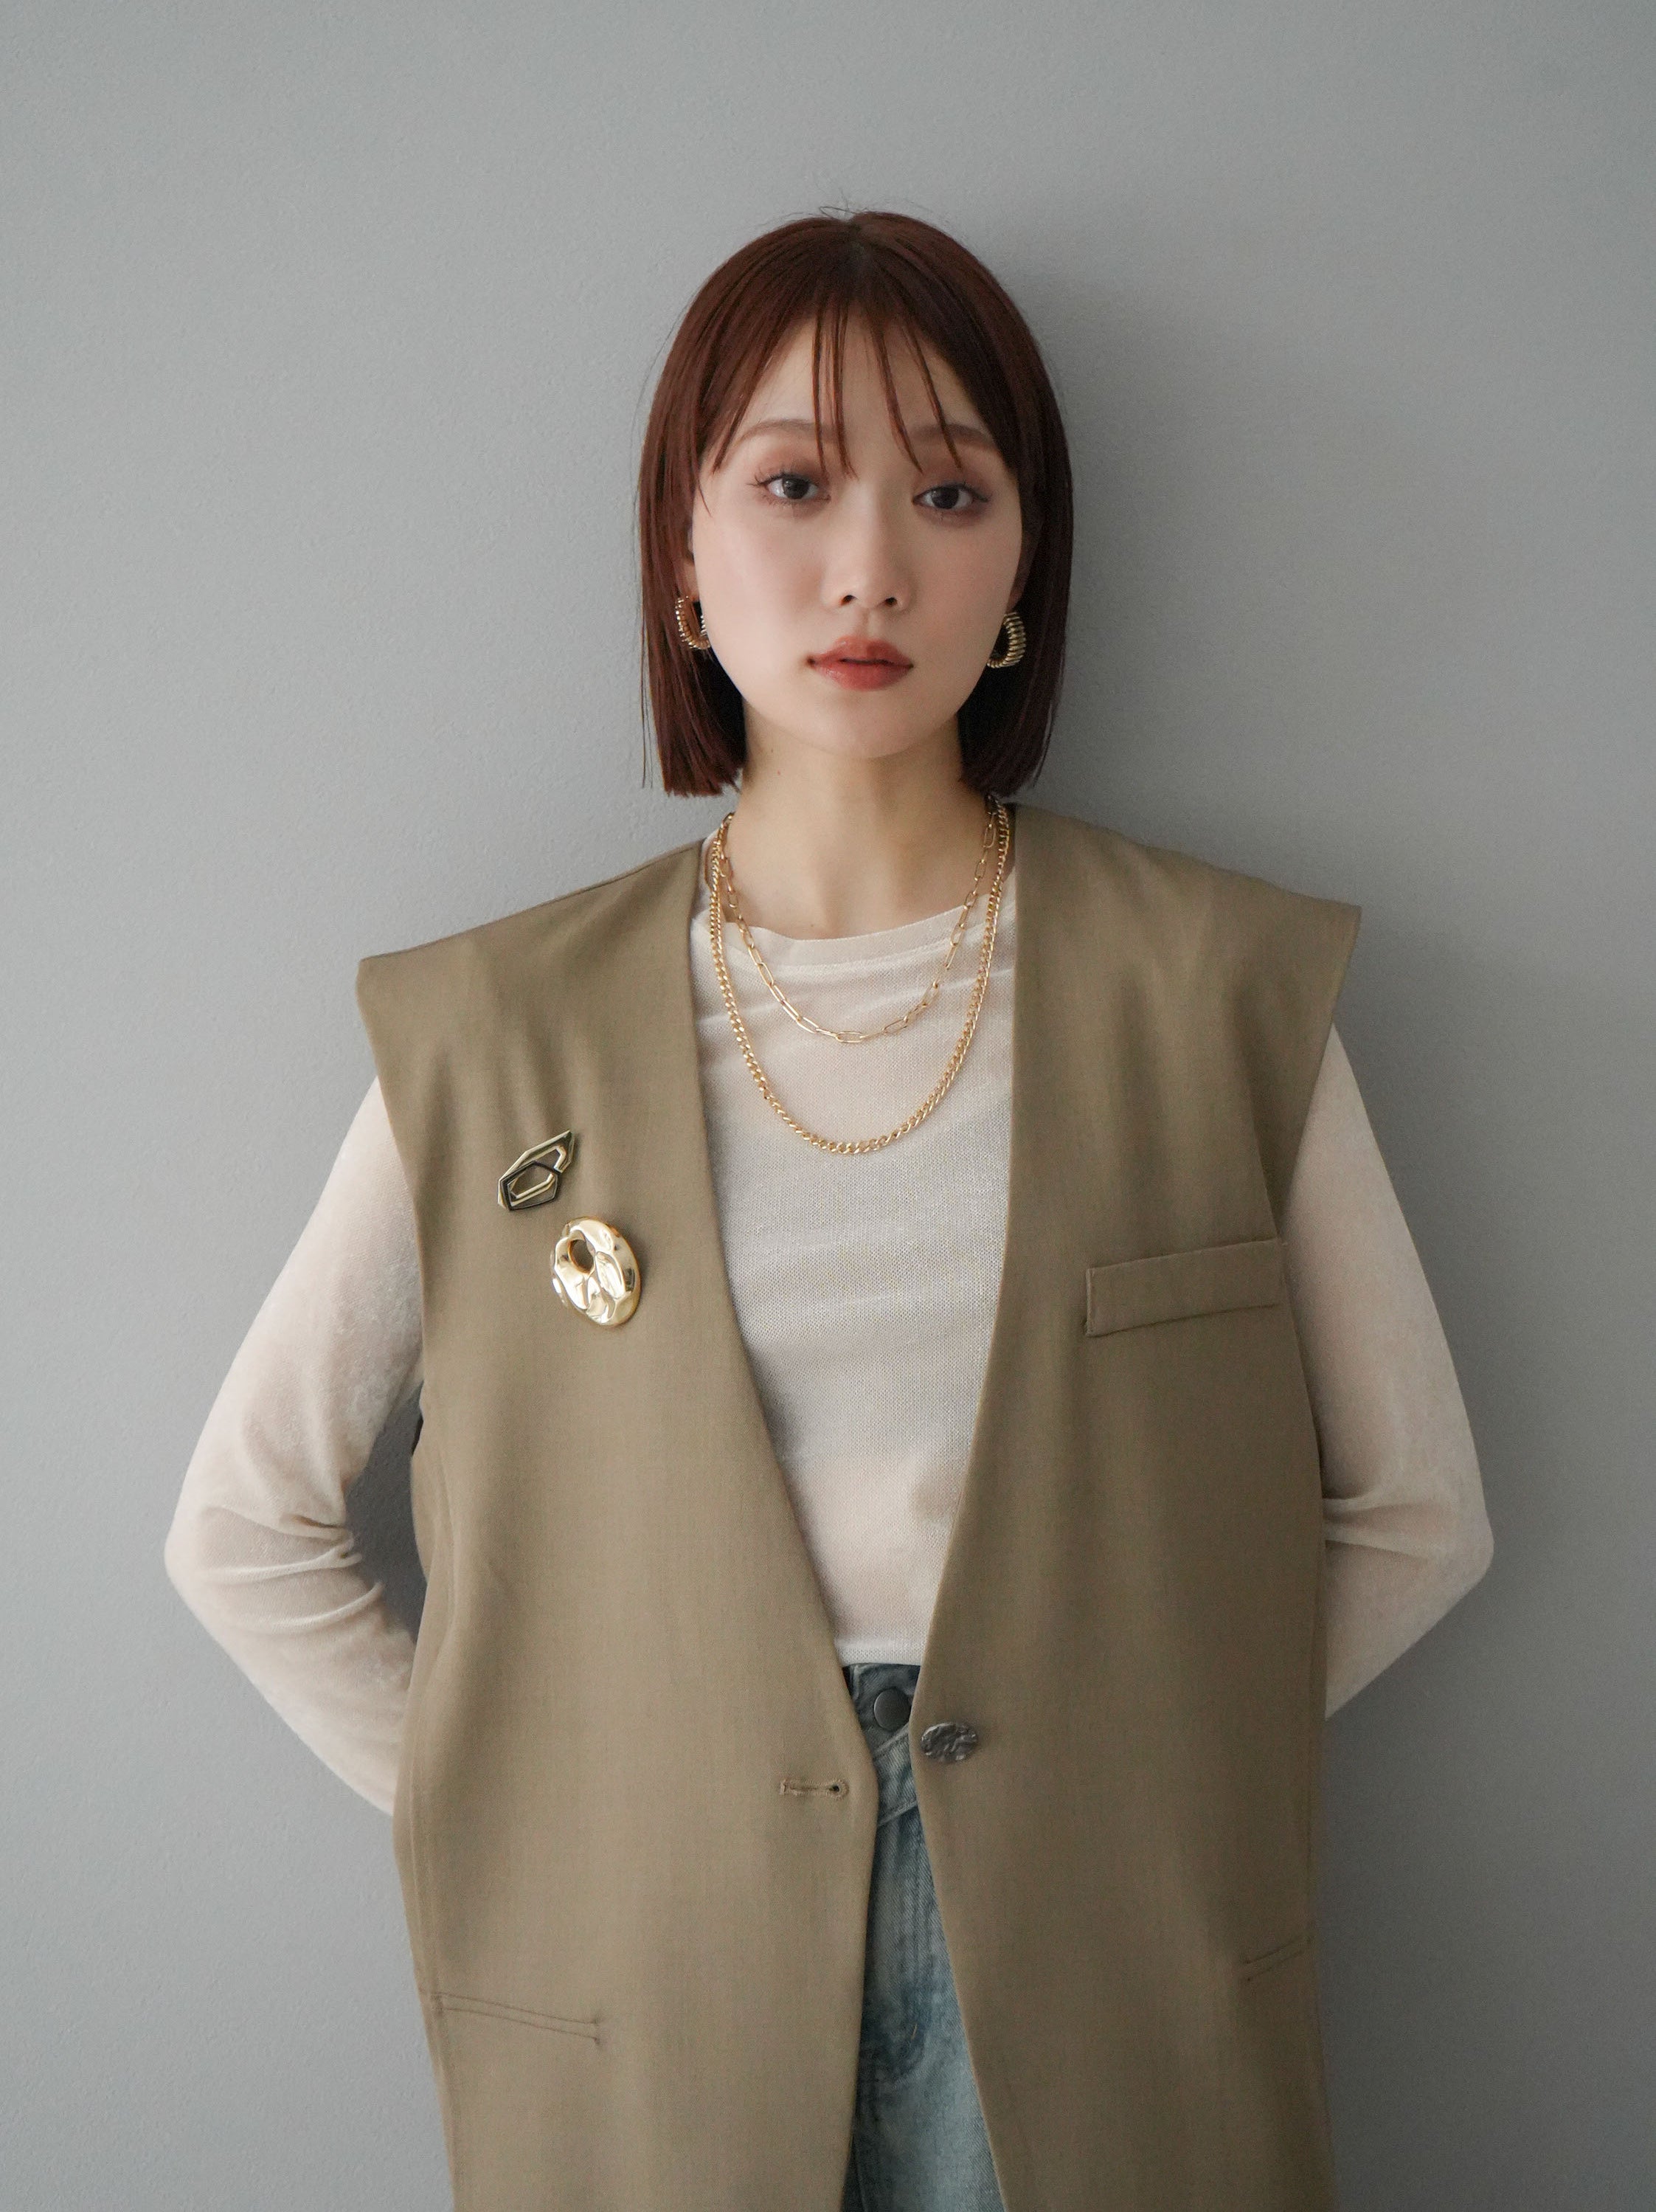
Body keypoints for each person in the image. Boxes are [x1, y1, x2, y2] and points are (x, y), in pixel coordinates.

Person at [164, 210, 1493, 2212]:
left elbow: (1417, 1514)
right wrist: (534, 1814)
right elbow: (246, 1530)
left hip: (1110, 1957)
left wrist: (1141, 1773)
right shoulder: (494, 1033)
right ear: (681, 553)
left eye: (949, 493)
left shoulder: (1219, 990)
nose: (873, 565)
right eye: (793, 484)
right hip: (660, 1972)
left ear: (1023, 565)